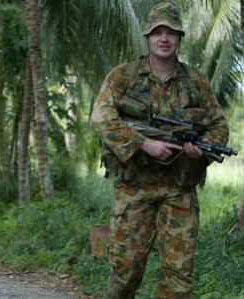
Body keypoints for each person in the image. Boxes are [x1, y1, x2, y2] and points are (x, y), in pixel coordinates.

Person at [90, 3, 229, 299]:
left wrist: (200, 152)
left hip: (179, 190)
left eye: (171, 32)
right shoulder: (123, 77)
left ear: (180, 38)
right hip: (133, 189)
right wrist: (144, 143)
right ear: (148, 37)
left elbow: (219, 127)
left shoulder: (196, 82)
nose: (164, 38)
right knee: (125, 274)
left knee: (179, 281)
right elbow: (101, 118)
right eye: (158, 32)